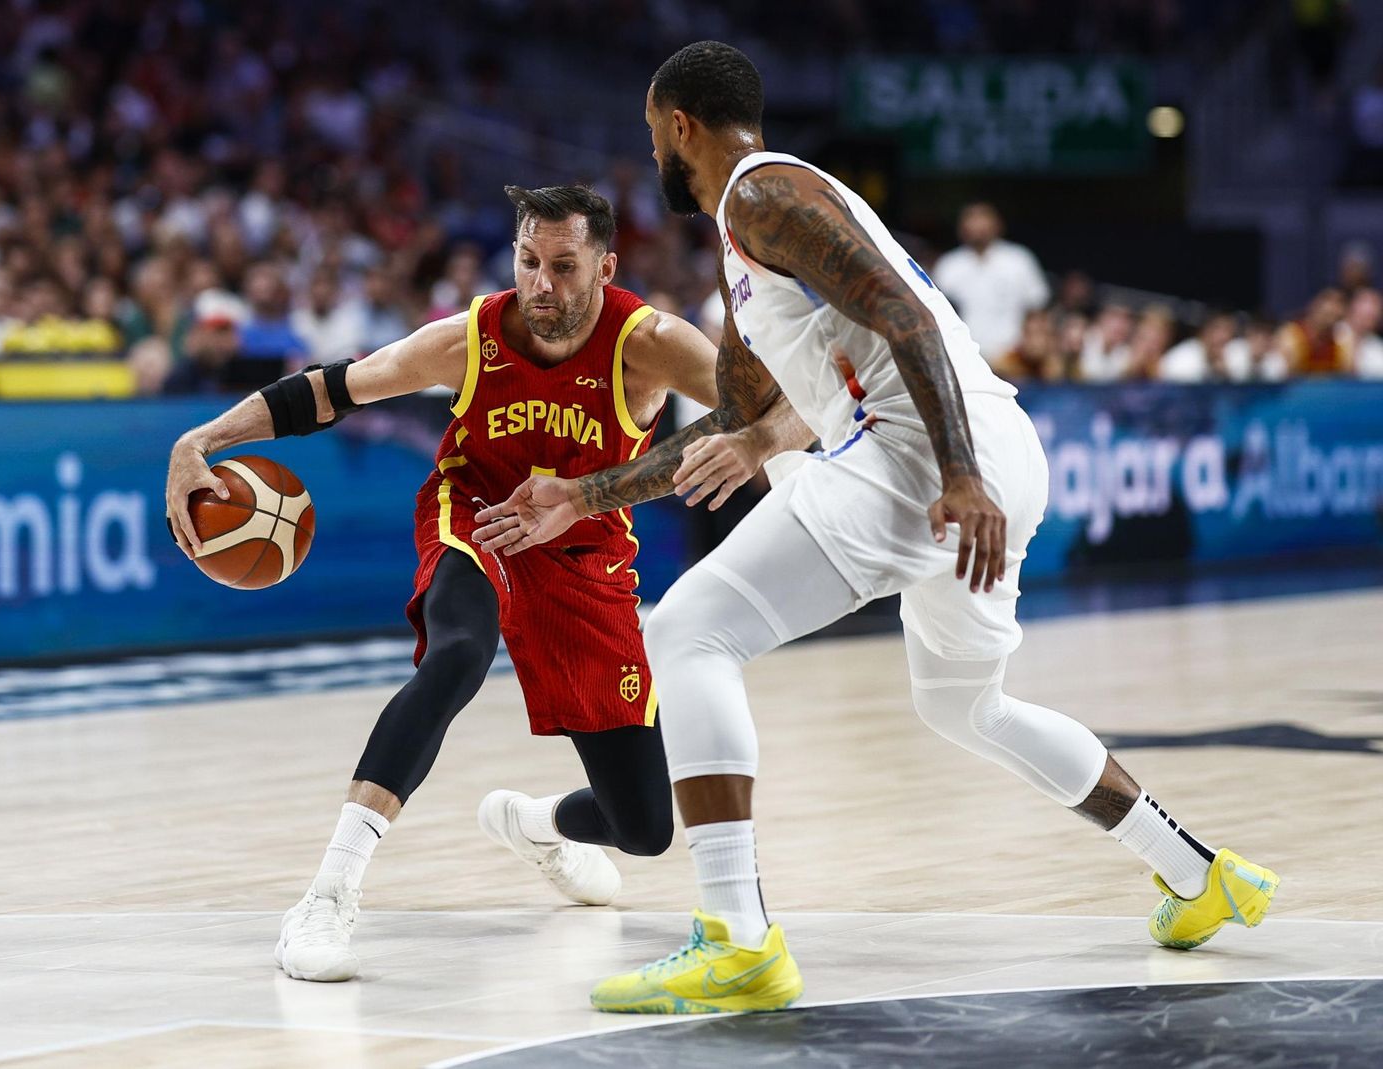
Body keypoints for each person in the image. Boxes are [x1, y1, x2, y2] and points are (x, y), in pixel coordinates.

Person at [474, 42, 1281, 1015]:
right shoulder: (750, 256)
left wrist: (956, 473)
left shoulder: (761, 193)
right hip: (975, 452)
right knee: (965, 705)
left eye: (654, 140)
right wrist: (581, 494)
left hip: (926, 457)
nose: (654, 162)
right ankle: (1197, 874)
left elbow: (904, 312)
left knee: (691, 632)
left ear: (680, 125)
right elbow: (735, 420)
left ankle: (735, 940)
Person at [164, 184, 813, 984]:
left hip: (584, 548)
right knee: (458, 656)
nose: (543, 284)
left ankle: (539, 824)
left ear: (605, 267)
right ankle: (328, 893)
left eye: (565, 267)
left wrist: (766, 452)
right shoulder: (470, 338)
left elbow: (796, 407)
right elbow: (336, 388)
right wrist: (203, 436)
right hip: (479, 516)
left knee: (644, 827)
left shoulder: (649, 343)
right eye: (529, 262)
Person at [930, 202, 1049, 361]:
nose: (978, 226)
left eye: (983, 219)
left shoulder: (1019, 260)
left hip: (1013, 356)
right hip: (963, 357)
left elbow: (1037, 307)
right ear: (961, 227)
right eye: (972, 219)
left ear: (997, 225)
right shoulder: (949, 265)